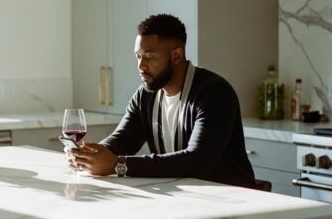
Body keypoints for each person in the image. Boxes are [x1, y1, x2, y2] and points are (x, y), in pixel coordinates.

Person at [68, 14, 256, 189]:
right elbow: (123, 139)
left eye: (149, 56)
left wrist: (119, 165)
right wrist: (90, 156)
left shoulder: (214, 93)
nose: (140, 66)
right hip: (182, 198)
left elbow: (197, 161)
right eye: (138, 56)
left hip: (229, 203)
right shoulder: (145, 95)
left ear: (176, 56)